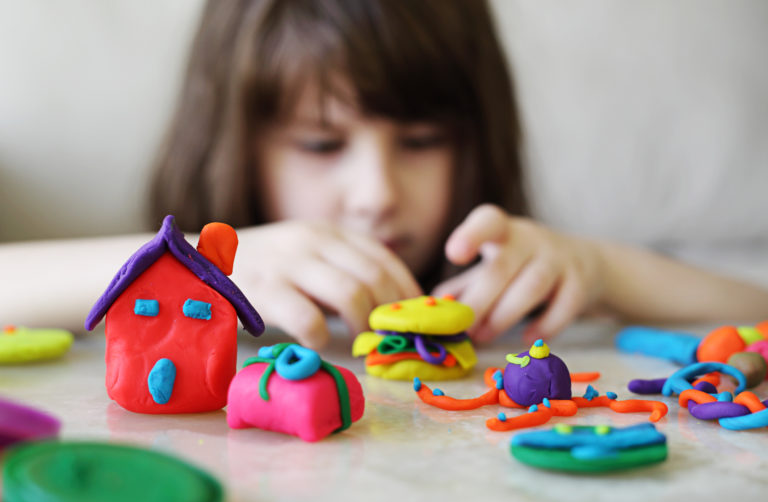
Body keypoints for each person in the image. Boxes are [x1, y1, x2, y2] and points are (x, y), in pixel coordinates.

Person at [3, 0, 768, 349]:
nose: (376, 194)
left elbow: (755, 305)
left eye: (424, 139)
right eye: (321, 143)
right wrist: (193, 265)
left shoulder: (507, 286)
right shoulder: (185, 287)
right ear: (237, 143)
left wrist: (602, 269)